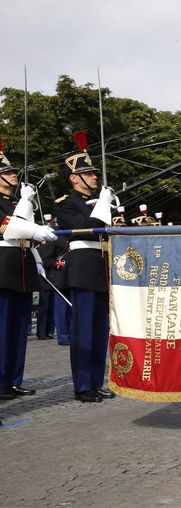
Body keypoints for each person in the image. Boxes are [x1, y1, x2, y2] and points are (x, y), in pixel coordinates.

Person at [53, 131, 116, 402]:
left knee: (100, 332)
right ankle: (82, 385)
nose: (94, 177)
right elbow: (85, 228)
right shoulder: (65, 205)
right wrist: (101, 205)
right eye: (88, 174)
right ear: (73, 178)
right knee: (83, 331)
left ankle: (96, 381)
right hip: (82, 268)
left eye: (94, 174)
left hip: (102, 266)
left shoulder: (98, 201)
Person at [1, 144, 57, 400]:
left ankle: (13, 379)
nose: (14, 175)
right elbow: (6, 228)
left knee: (18, 330)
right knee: (3, 330)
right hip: (3, 267)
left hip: (21, 267)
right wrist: (28, 218)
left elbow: (27, 232)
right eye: (8, 172)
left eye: (13, 172)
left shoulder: (16, 202)